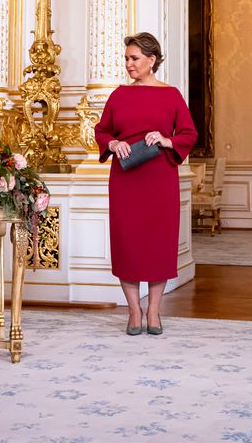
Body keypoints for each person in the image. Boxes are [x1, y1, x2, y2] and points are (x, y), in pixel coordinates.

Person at [94, 33, 197, 336]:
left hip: (160, 180)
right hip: (125, 181)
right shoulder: (118, 95)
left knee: (157, 246)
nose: (128, 64)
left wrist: (167, 139)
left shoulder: (172, 95)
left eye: (134, 58)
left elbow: (189, 133)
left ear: (152, 61)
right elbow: (102, 131)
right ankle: (133, 311)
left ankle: (154, 311)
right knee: (128, 245)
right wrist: (112, 143)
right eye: (126, 58)